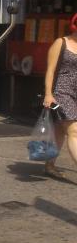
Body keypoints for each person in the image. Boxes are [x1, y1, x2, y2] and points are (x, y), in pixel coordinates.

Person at [42, 16, 77, 179]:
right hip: (62, 91)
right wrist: (48, 94)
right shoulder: (61, 42)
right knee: (74, 131)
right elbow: (50, 70)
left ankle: (49, 165)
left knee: (59, 131)